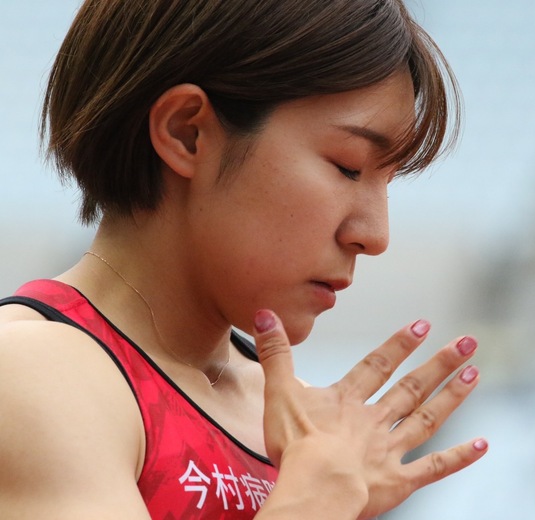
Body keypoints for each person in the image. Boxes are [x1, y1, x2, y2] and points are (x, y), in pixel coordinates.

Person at [0, 0, 488, 518]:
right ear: (187, 132)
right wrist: (313, 505)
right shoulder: (31, 373)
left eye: (388, 184)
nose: (375, 235)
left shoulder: (298, 423)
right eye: (348, 167)